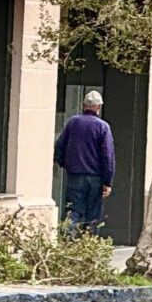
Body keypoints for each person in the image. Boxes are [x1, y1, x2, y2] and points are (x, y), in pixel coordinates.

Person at [54, 89, 114, 233]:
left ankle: (68, 240)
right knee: (93, 215)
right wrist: (107, 182)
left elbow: (59, 147)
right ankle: (89, 242)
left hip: (75, 176)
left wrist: (66, 165)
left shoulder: (73, 123)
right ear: (98, 107)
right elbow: (108, 156)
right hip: (95, 178)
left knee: (73, 211)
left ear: (84, 105)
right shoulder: (103, 127)